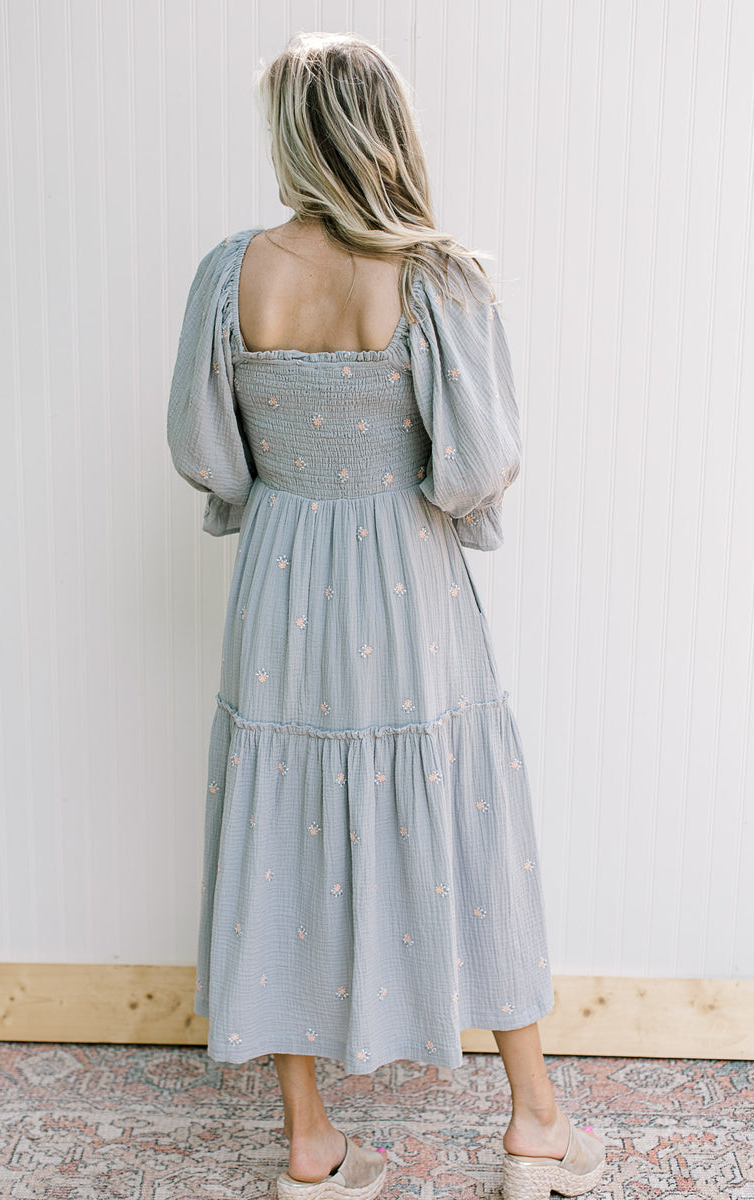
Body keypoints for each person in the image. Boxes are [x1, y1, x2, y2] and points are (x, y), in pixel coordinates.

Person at [167, 31, 605, 1200]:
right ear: (384, 127)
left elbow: (207, 454)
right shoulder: (437, 276)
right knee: (462, 823)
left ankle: (310, 1146)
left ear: (293, 134)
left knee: (279, 829)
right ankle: (531, 1125)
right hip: (404, 589)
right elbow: (476, 467)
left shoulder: (231, 273)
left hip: (280, 587)